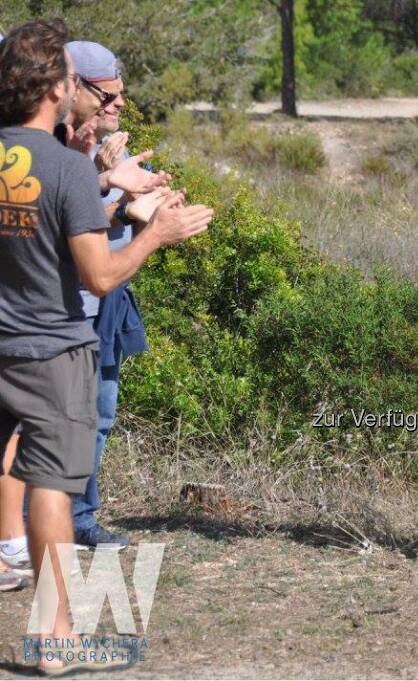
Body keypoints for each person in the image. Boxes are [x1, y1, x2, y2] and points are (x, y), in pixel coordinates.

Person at [0, 19, 212, 672]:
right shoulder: (65, 167)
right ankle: (58, 636)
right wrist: (156, 234)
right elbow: (100, 275)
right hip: (53, 350)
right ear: (55, 88)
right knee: (53, 490)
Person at [63, 40, 148, 550]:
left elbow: (112, 230)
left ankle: (80, 515)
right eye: (108, 96)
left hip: (109, 300)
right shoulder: (51, 151)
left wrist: (142, 205)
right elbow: (68, 229)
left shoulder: (105, 148)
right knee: (60, 420)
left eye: (120, 96)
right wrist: (112, 196)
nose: (117, 105)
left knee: (100, 414)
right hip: (69, 306)